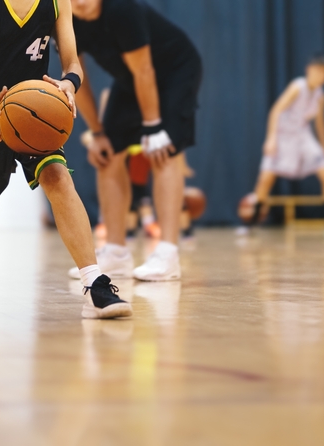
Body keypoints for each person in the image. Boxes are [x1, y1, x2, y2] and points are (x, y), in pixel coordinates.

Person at [0, 0, 131, 318]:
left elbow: (73, 64)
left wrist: (68, 85)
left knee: (58, 177)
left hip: (32, 115)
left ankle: (95, 282)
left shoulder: (58, 3)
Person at [70, 0, 203, 281]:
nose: (79, 2)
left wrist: (153, 126)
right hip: (132, 79)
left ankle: (167, 254)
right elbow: (75, 76)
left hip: (175, 71)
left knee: (162, 150)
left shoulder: (122, 8)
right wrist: (97, 133)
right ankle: (116, 253)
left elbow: (145, 70)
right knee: (108, 155)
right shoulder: (65, 19)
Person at [245, 55, 324, 237]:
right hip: (282, 135)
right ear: (309, 70)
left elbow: (321, 125)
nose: (320, 75)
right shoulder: (297, 86)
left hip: (303, 136)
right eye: (317, 70)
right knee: (265, 179)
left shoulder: (321, 96)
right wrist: (271, 138)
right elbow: (275, 110)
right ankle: (251, 225)